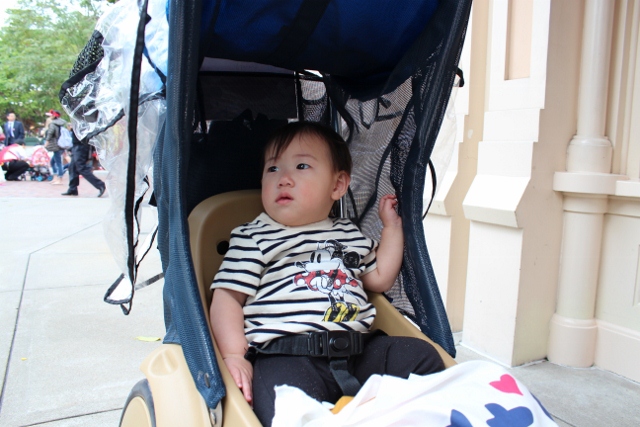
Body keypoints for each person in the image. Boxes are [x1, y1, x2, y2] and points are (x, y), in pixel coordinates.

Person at [209, 122, 444, 426]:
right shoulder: (254, 236)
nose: (283, 179)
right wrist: (234, 354)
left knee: (421, 356)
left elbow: (379, 278)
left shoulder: (348, 233)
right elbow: (228, 296)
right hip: (286, 355)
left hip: (359, 351)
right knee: (286, 406)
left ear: (337, 186)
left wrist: (392, 228)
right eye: (272, 169)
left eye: (301, 166)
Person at [61, 131, 106, 197]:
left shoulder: (81, 124)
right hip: (77, 145)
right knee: (72, 167)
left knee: (81, 168)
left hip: (81, 145)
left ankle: (100, 185)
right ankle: (72, 188)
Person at [43, 110, 66, 185]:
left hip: (55, 145)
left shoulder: (53, 124)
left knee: (58, 162)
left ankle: (60, 178)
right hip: (61, 144)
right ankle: (55, 178)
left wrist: (46, 142)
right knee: (53, 162)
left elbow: (50, 133)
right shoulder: (61, 123)